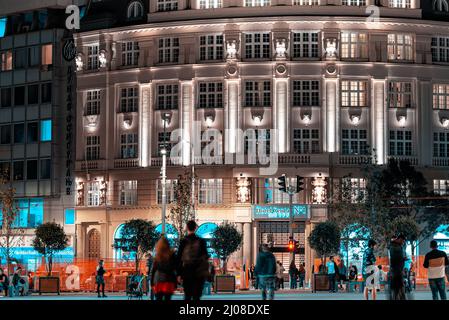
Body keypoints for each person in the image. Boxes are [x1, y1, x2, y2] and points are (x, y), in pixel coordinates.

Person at [176, 220, 210, 301]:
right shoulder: (201, 241)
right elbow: (205, 256)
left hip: (187, 271)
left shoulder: (183, 241)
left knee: (187, 295)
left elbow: (179, 258)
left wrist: (179, 274)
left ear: (187, 228)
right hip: (198, 272)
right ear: (195, 228)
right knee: (196, 296)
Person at [151, 236, 177, 300]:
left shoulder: (157, 255)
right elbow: (175, 268)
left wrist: (152, 283)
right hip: (169, 280)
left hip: (158, 280)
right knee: (167, 298)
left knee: (158, 298)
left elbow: (154, 270)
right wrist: (175, 282)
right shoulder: (172, 255)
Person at [388, 234, 407, 300]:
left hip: (398, 269)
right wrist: (402, 259)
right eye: (403, 241)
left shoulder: (397, 246)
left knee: (398, 287)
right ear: (400, 239)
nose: (403, 242)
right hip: (396, 270)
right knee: (397, 287)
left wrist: (403, 259)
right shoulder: (394, 246)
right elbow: (395, 258)